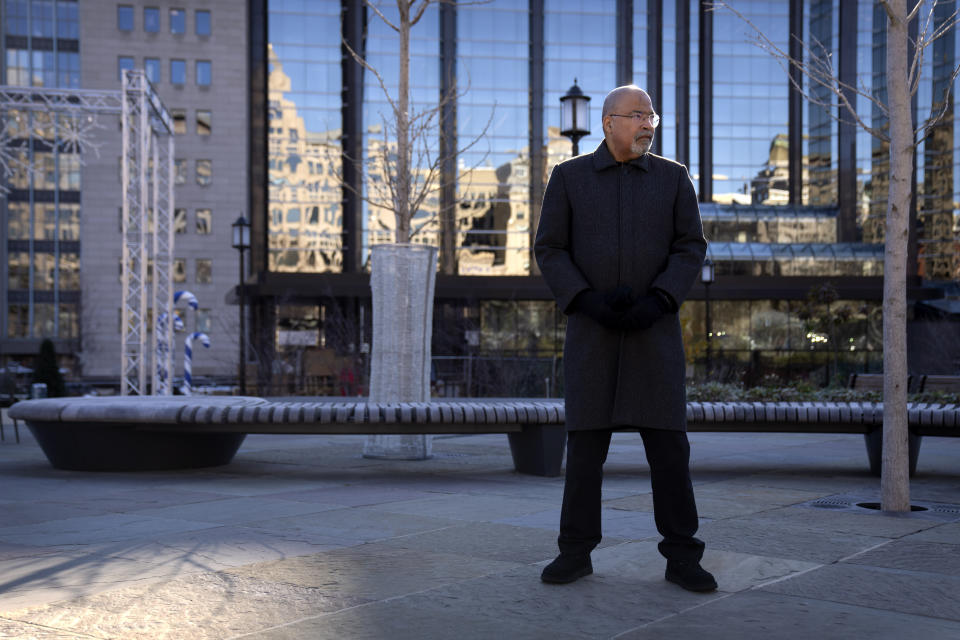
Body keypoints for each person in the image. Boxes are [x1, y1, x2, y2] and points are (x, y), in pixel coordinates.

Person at [533, 85, 716, 592]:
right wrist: (585, 299)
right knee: (586, 453)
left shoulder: (673, 178)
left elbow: (689, 247)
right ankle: (575, 553)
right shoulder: (568, 177)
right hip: (591, 335)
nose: (648, 124)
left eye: (651, 115)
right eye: (637, 115)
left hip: (654, 334)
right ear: (608, 121)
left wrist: (659, 300)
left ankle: (683, 557)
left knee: (669, 453)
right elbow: (549, 248)